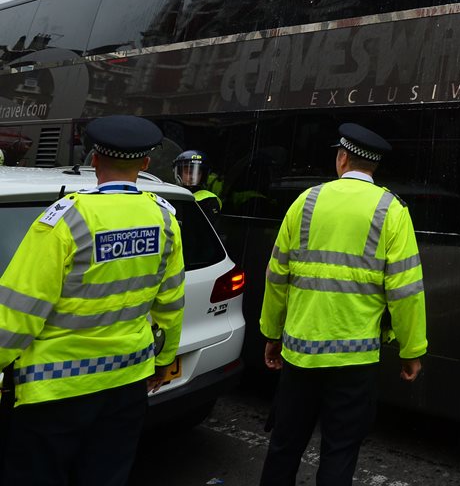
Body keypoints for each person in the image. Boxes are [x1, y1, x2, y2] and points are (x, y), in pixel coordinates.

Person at [0, 115, 186, 485]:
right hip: (126, 383)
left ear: (94, 160)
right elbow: (171, 302)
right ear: (146, 164)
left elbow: (18, 312)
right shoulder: (165, 220)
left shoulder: (65, 220)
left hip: (53, 392)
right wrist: (165, 360)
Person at [259, 123, 426, 486]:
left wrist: (272, 334)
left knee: (284, 447)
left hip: (300, 354)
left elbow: (276, 277)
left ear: (342, 158)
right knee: (339, 453)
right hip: (355, 361)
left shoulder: (305, 202)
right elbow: (406, 291)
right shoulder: (392, 211)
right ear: (373, 167)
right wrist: (411, 351)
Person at [174, 149, 222, 220]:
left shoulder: (210, 199)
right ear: (179, 173)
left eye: (197, 173)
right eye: (189, 172)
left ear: (203, 175)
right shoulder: (171, 193)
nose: (192, 177)